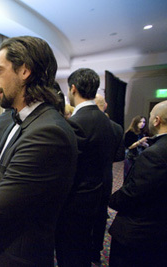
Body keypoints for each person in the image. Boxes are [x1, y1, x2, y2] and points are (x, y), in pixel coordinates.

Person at [0, 36, 78, 266]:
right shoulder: (16, 121)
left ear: (24, 71)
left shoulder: (47, 133)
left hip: (17, 257)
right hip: (0, 248)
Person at [55, 68, 116, 267]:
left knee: (70, 252)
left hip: (75, 202)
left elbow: (65, 167)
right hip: (97, 196)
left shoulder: (77, 123)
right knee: (83, 249)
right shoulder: (107, 122)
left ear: (73, 89)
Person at [108, 100, 167, 267]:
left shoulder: (154, 155)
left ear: (156, 120)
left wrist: (111, 199)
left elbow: (133, 193)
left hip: (141, 233)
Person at [90, 94, 125, 264]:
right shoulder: (117, 128)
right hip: (106, 176)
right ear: (105, 106)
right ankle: (96, 250)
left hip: (85, 176)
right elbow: (119, 156)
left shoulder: (83, 124)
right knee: (101, 214)